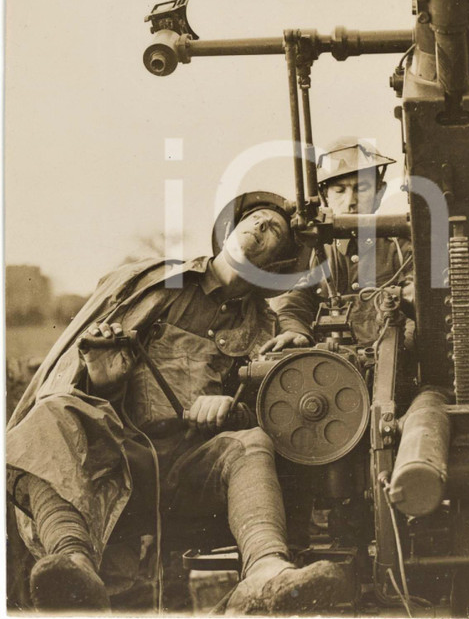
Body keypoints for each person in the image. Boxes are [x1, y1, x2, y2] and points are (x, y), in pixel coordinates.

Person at [6, 192, 348, 614]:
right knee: (52, 412)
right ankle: (74, 561)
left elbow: (268, 414)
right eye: (255, 219)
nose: (259, 227)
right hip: (116, 459)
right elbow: (81, 399)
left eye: (273, 228)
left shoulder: (265, 327)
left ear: (277, 262)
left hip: (190, 471)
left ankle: (265, 573)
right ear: (229, 230)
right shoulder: (156, 284)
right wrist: (104, 380)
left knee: (252, 443)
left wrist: (229, 412)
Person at [263, 137, 413, 353]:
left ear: (379, 193)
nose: (350, 201)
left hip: (398, 362)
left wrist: (402, 349)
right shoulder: (312, 251)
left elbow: (420, 308)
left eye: (361, 189)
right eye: (339, 190)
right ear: (325, 196)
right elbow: (293, 303)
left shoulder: (402, 250)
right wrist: (295, 330)